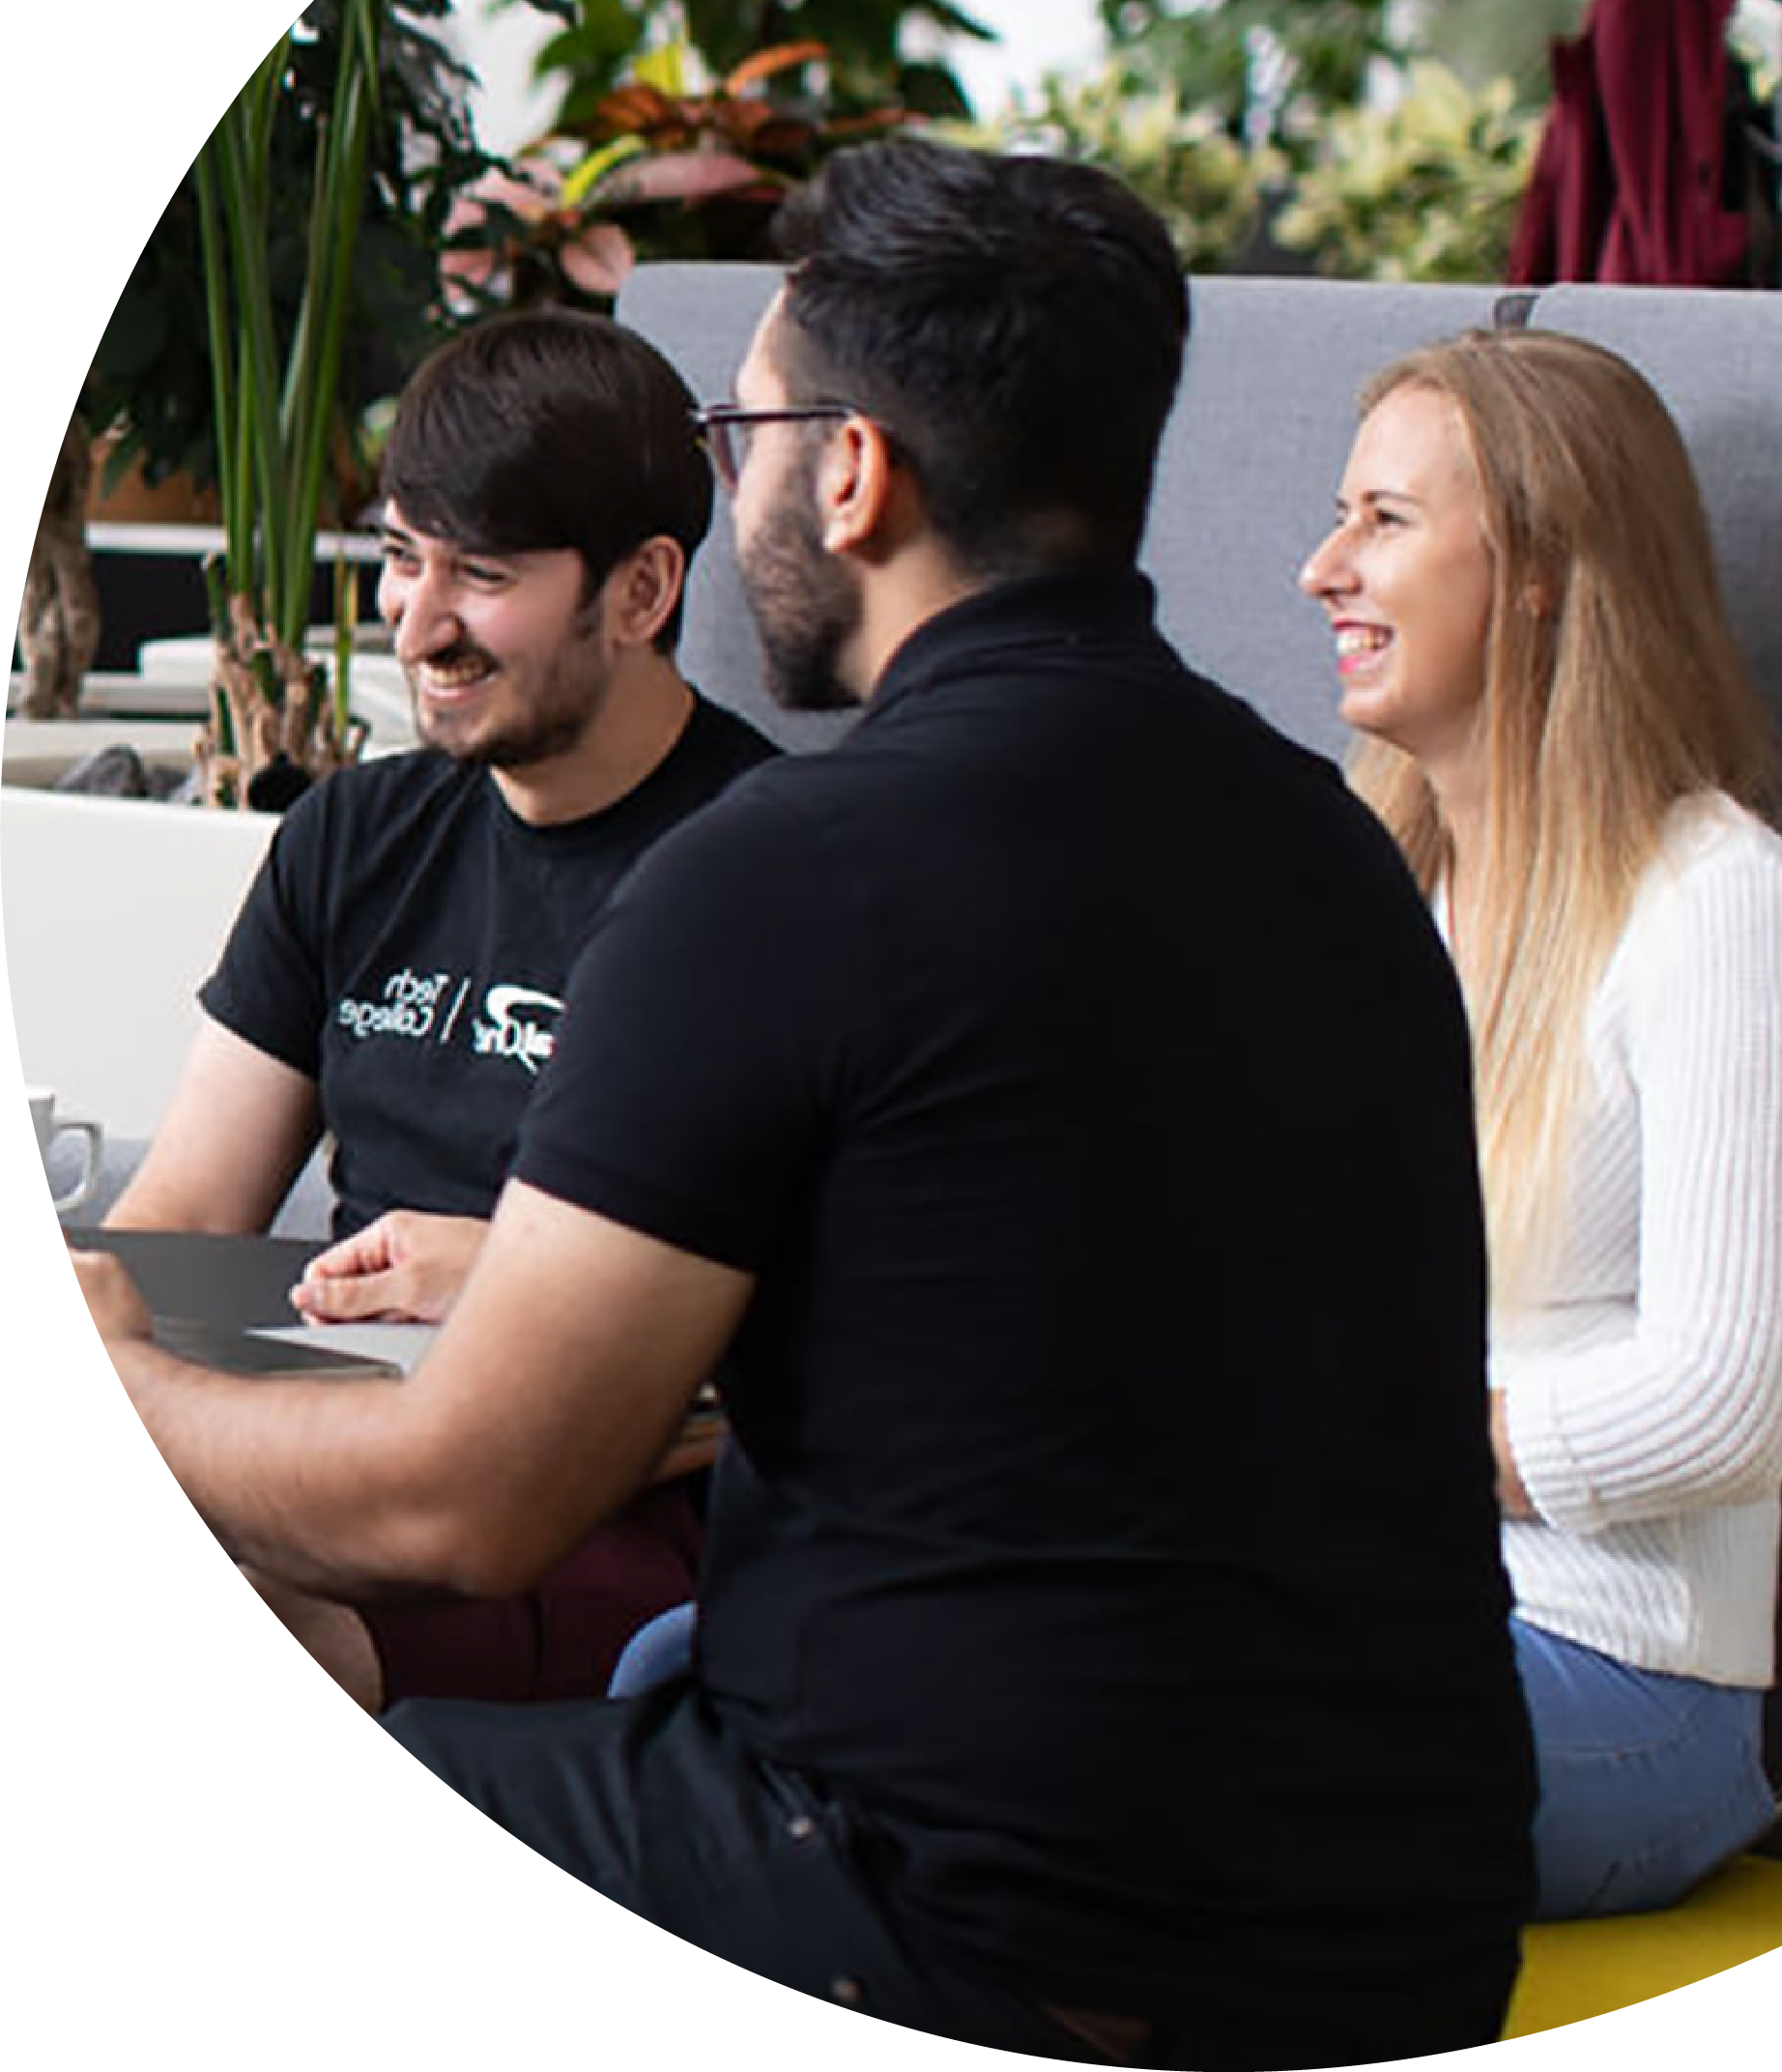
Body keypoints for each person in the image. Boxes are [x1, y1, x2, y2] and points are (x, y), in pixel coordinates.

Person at [78, 141, 1535, 2067]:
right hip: (1408, 1929)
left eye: (744, 428)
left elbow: (467, 1502)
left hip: (943, 1910)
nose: (738, 475)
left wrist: (108, 1384)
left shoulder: (784, 868)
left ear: (848, 471)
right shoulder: (1338, 860)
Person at [104, 307, 777, 1712]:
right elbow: (179, 1224)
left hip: (592, 1507)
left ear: (643, 590)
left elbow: (833, 1325)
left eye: (482, 574)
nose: (419, 625)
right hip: (320, 1430)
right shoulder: (353, 838)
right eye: (405, 557)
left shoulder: (774, 873)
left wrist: (539, 1293)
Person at [1300, 325, 1782, 1918]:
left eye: (1384, 519)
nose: (1321, 568)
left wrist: (1365, 1455)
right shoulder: (1371, 891)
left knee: (1076, 1735)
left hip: (1619, 1677)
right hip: (1343, 1590)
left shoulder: (1718, 904)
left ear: (1541, 573)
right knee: (739, 1644)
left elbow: (1733, 1396)